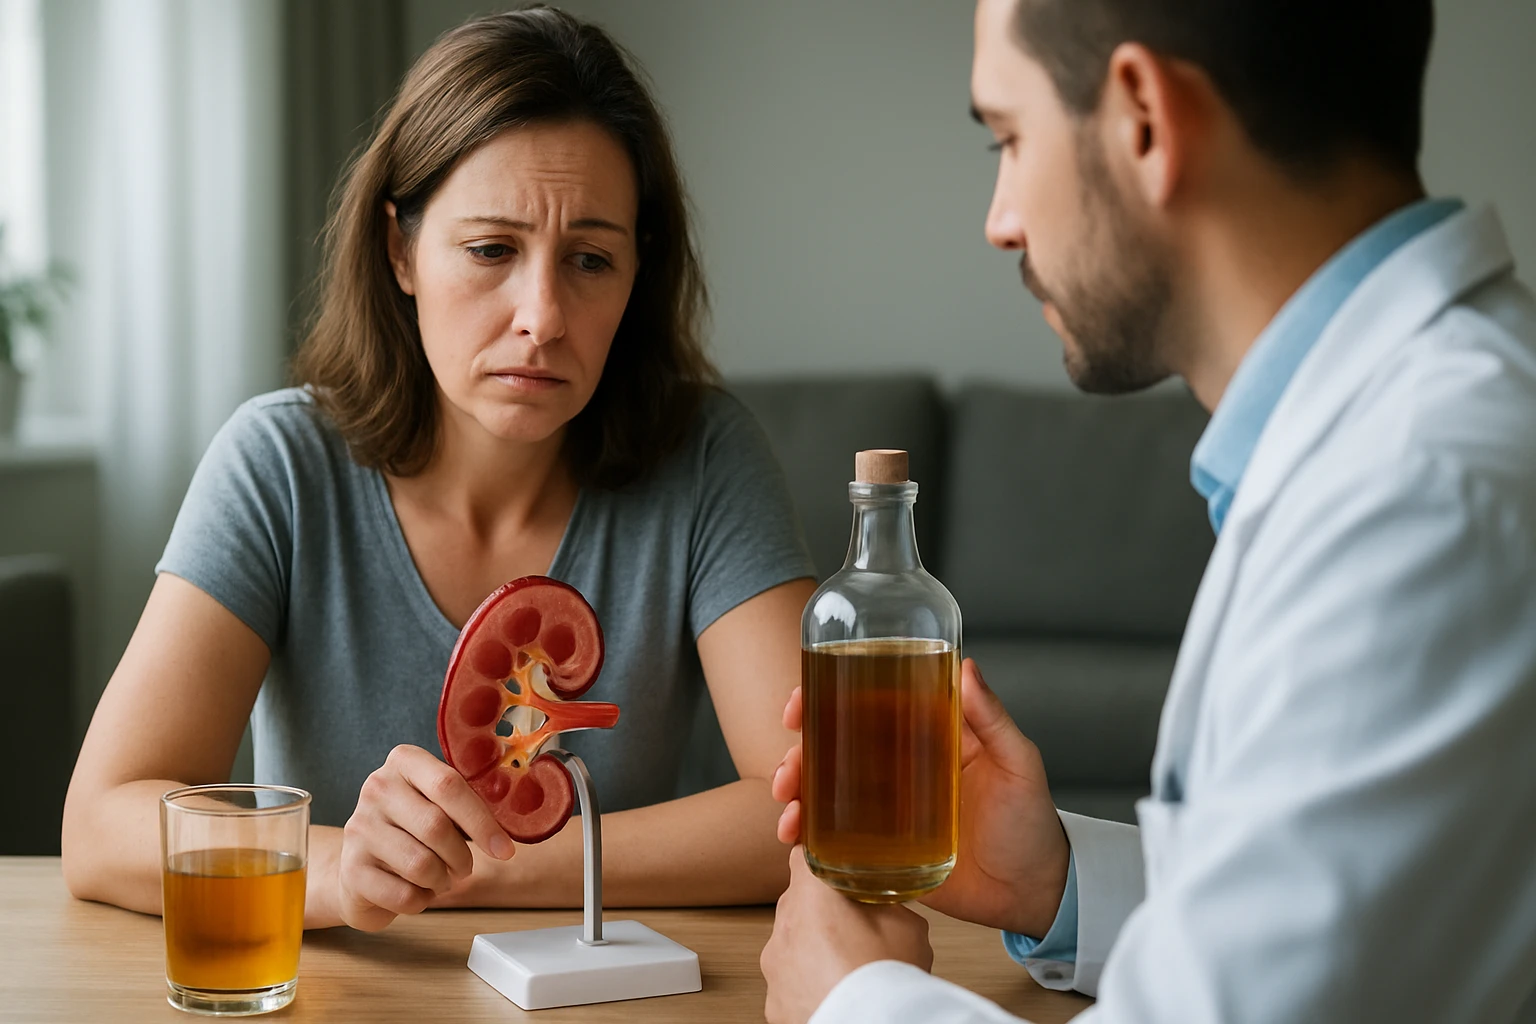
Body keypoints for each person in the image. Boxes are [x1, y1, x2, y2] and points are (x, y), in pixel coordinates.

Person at [762, 0, 1536, 1021]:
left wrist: (852, 1000)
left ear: (1143, 119)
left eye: (1009, 137)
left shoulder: (1417, 499)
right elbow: (1345, 920)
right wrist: (1057, 880)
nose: (1000, 219)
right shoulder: (1399, 441)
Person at [62, 7, 817, 931]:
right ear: (400, 250)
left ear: (636, 273)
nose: (542, 314)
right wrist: (344, 872)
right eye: (492, 249)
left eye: (589, 259)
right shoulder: (277, 465)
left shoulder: (705, 457)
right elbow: (101, 826)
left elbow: (817, 810)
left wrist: (479, 873)